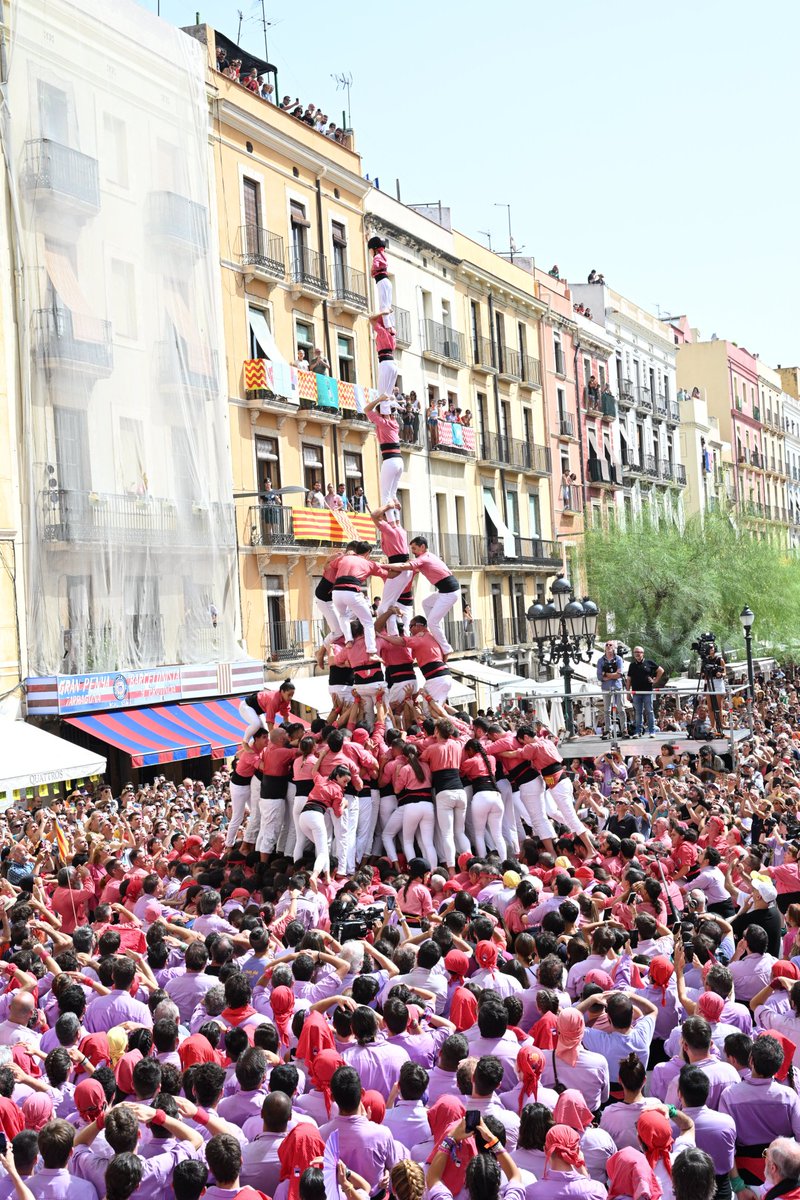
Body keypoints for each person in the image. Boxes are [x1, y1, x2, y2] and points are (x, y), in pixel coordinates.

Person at [626, 647, 664, 737]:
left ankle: (652, 731)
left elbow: (661, 670)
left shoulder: (649, 662)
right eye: (635, 652)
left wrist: (655, 680)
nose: (637, 654)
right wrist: (628, 693)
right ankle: (638, 732)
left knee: (649, 711)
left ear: (643, 653)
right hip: (636, 693)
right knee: (638, 712)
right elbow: (628, 679)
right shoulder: (632, 665)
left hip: (647, 691)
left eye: (639, 652)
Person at [597, 640, 626, 739]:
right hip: (606, 687)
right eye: (607, 645)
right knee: (606, 710)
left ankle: (624, 730)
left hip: (617, 686)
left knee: (621, 708)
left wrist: (606, 674)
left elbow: (619, 674)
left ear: (614, 648)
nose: (608, 646)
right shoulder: (600, 660)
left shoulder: (618, 659)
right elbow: (599, 676)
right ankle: (607, 731)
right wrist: (613, 675)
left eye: (611, 645)